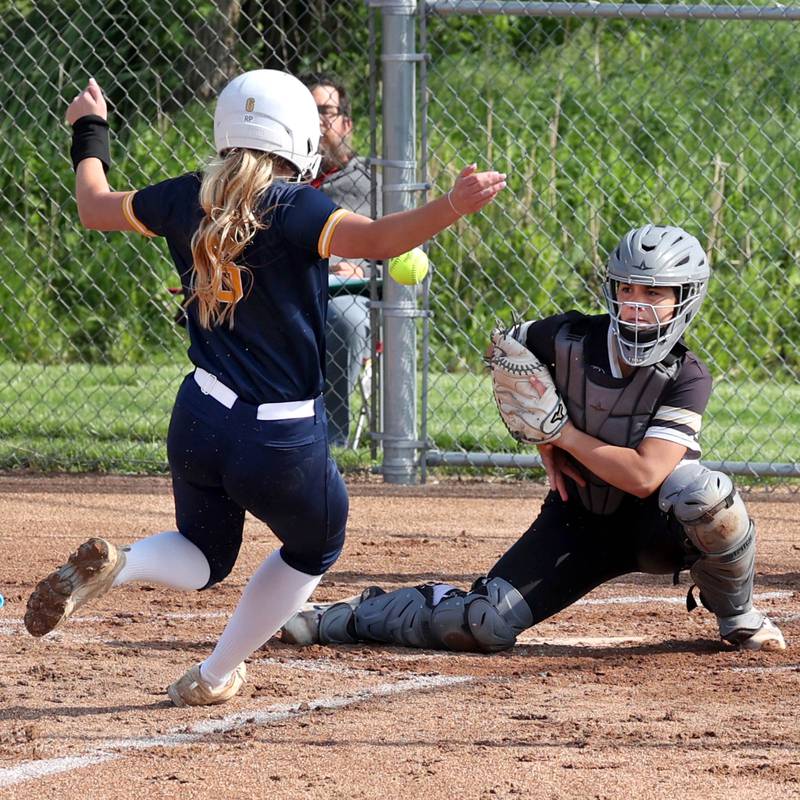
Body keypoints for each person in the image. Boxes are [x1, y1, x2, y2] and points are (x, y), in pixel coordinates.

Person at [23, 71, 506, 706]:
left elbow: (92, 204)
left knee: (204, 553)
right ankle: (214, 675)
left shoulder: (185, 196)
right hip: (279, 435)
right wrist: (452, 204)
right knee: (316, 545)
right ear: (299, 136)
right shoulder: (295, 204)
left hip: (199, 412)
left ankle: (124, 562)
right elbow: (382, 242)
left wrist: (90, 127)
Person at [281, 224, 787, 655]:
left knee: (705, 497)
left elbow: (645, 474)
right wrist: (544, 445)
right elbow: (506, 347)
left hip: (656, 527)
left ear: (685, 300)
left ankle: (737, 615)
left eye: (653, 294)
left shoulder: (686, 376)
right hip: (579, 518)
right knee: (481, 623)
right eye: (627, 291)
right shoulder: (570, 337)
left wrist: (561, 433)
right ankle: (346, 616)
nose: (636, 307)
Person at [301, 72, 378, 447]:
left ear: (347, 124)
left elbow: (407, 251)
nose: (316, 122)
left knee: (342, 319)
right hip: (293, 289)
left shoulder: (371, 180)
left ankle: (329, 444)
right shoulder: (280, 179)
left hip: (350, 296)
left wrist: (363, 268)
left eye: (325, 112)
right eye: (306, 112)